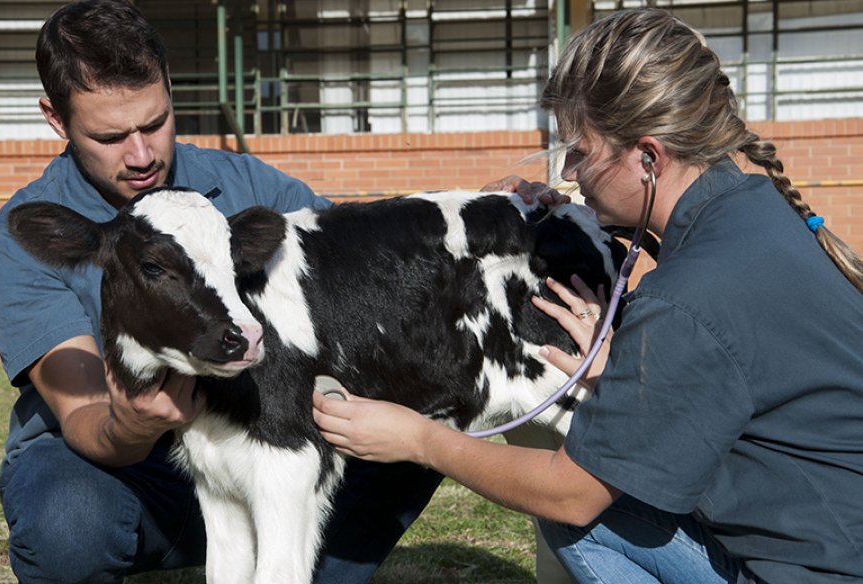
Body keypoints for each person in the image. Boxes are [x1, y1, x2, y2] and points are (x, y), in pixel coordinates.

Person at [313, 8, 863, 584]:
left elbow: (571, 494)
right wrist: (629, 371)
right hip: (836, 539)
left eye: (580, 151)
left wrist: (419, 438)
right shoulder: (754, 210)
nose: (570, 169)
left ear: (648, 157)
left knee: (577, 513)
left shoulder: (687, 300)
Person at [0, 1, 446, 581]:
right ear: (56, 118)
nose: (142, 155)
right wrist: (134, 423)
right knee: (65, 520)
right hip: (126, 467)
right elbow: (86, 418)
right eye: (110, 135)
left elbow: (357, 261)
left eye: (155, 122)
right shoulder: (24, 237)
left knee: (419, 413)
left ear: (170, 89)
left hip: (259, 437)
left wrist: (482, 216)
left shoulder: (244, 184)